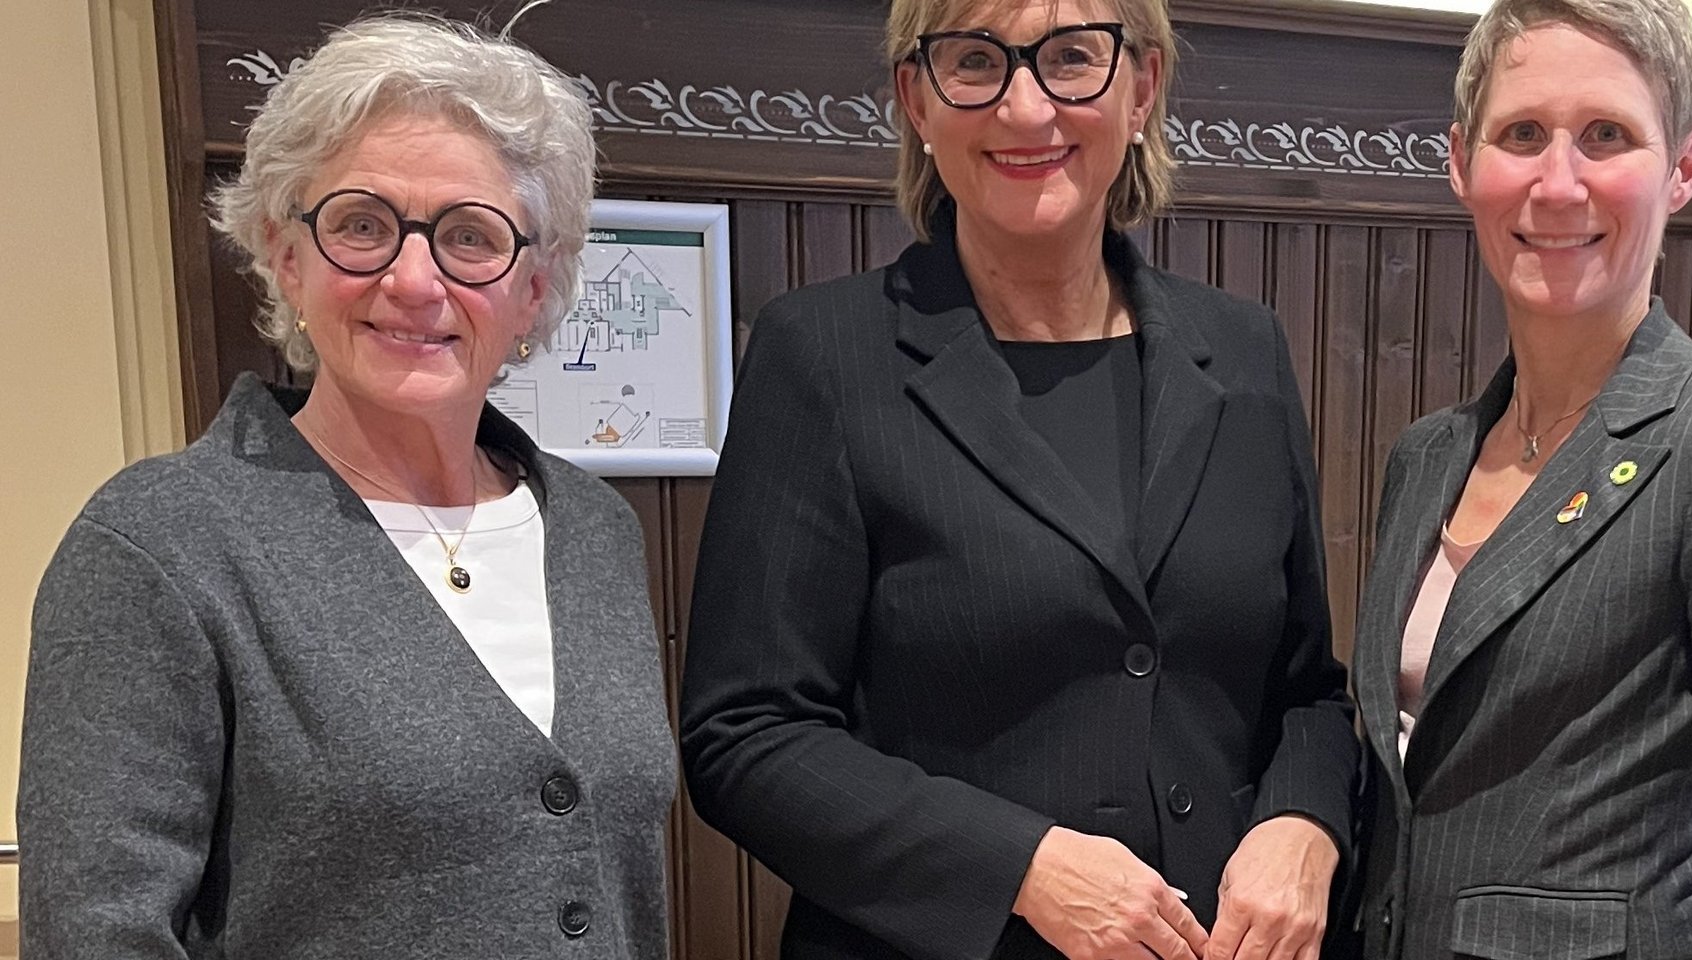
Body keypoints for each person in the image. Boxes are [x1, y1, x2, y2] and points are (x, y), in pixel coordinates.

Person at [678, 2, 1362, 959]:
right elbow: (745, 735)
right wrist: (1022, 868)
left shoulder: (1245, 350)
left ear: (1142, 89)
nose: (1027, 107)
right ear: (917, 99)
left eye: (1072, 57)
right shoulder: (822, 355)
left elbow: (1308, 692)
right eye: (975, 61)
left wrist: (1305, 823)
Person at [18, 14, 675, 959]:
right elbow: (97, 935)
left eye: (470, 237)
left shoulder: (592, 528)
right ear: (287, 258)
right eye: (363, 225)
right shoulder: (159, 545)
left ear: (533, 289)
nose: (414, 280)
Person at [1351, 0, 1692, 956]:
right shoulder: (1425, 456)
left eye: (1606, 135)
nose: (1558, 184)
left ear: (1685, 166)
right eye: (1522, 134)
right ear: (1462, 162)